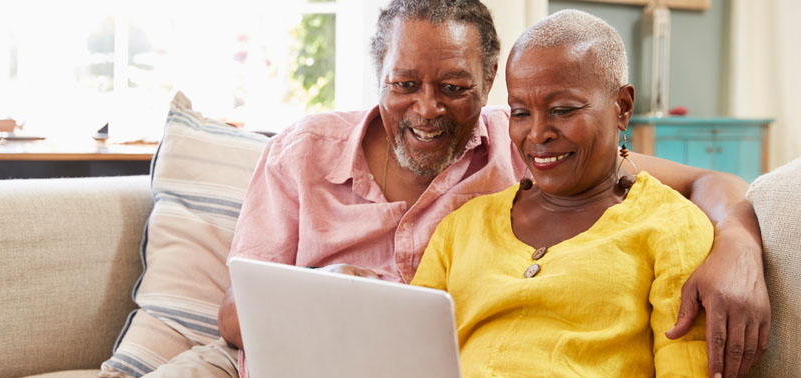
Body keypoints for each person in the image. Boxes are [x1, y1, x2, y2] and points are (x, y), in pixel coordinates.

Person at [145, 1, 769, 377]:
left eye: (454, 87)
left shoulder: (527, 147)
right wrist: (331, 297)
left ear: (489, 80)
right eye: (404, 84)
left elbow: (698, 183)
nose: (426, 110)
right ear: (380, 77)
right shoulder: (303, 151)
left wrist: (738, 239)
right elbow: (233, 314)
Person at [410, 9, 717, 377]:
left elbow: (686, 367)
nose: (537, 133)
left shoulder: (672, 227)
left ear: (622, 107)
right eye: (521, 113)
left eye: (562, 110)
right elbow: (407, 354)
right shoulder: (461, 228)